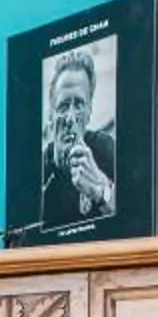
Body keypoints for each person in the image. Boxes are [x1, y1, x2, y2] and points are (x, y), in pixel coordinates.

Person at [40, 48, 117, 224]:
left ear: (89, 113)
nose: (70, 118)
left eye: (79, 105)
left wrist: (101, 189)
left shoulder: (105, 149)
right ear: (51, 115)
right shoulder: (37, 173)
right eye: (63, 106)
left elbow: (135, 217)